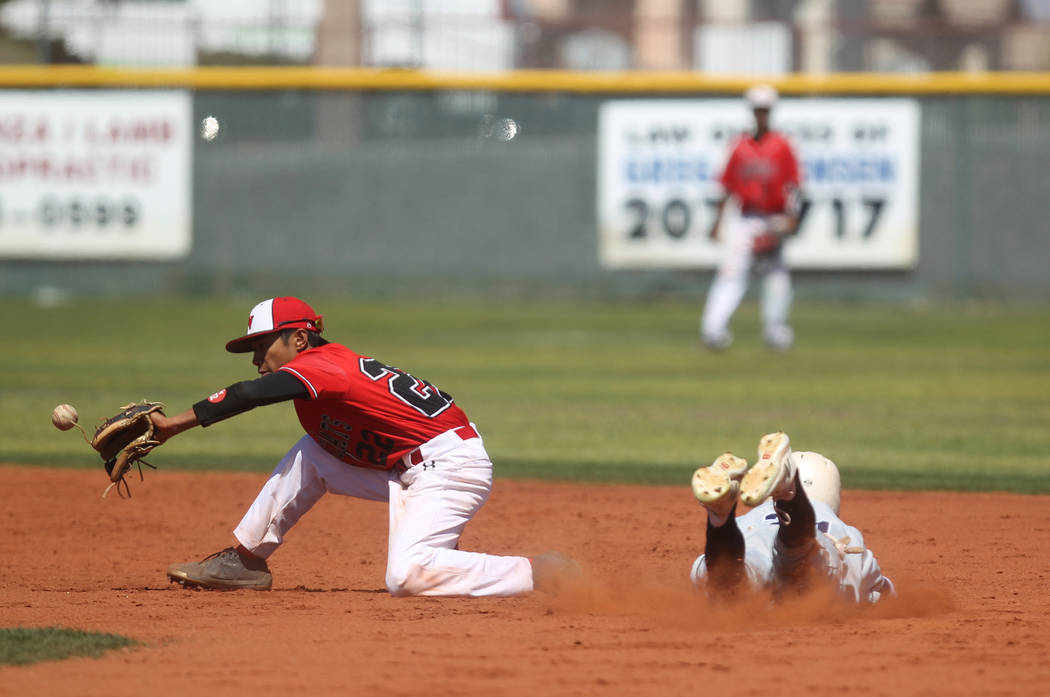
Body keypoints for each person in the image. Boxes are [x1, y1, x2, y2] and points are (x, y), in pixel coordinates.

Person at [153, 296, 578, 596]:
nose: (256, 359)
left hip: (448, 466)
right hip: (416, 463)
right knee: (313, 453)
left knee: (406, 576)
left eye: (263, 346)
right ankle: (245, 560)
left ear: (299, 340)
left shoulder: (321, 366)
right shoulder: (333, 363)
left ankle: (537, 573)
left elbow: (251, 394)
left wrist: (173, 425)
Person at [689, 432, 895, 603]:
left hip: (748, 540)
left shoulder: (749, 518)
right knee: (798, 558)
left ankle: (720, 518)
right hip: (815, 557)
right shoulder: (846, 531)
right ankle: (789, 492)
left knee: (729, 581)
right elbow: (886, 596)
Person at [701, 84, 803, 352]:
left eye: (765, 110)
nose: (761, 115)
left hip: (774, 218)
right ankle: (713, 329)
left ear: (771, 112)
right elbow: (726, 187)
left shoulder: (782, 146)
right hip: (746, 218)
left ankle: (776, 330)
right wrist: (717, 223)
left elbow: (795, 187)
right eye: (757, 110)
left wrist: (791, 220)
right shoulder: (740, 147)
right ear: (751, 112)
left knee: (777, 278)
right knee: (731, 273)